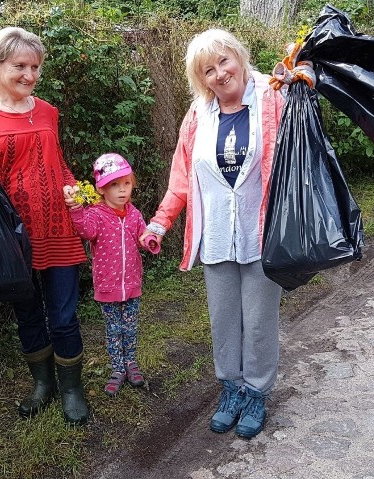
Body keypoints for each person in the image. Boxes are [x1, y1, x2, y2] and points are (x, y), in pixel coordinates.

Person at [140, 29, 292, 439]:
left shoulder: (274, 100)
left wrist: (302, 81)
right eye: (208, 70)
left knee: (259, 321)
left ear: (240, 58)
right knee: (223, 319)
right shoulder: (197, 117)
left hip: (263, 233)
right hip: (217, 237)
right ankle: (231, 389)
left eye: (224, 61)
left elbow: (301, 150)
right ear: (201, 79)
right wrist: (160, 222)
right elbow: (180, 179)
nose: (220, 73)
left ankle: (257, 393)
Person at [0, 27, 89, 425]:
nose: (30, 75)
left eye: (35, 66)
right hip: (15, 239)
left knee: (64, 315)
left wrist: (74, 189)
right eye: (20, 65)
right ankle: (43, 385)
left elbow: (59, 164)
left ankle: (72, 387)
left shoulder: (49, 112)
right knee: (27, 314)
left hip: (59, 230)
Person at [64, 153, 157, 396]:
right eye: (115, 185)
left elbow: (142, 234)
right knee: (114, 329)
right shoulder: (95, 214)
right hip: (108, 285)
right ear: (101, 188)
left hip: (132, 283)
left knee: (130, 327)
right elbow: (86, 231)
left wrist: (150, 240)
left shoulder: (134, 213)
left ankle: (131, 364)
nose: (122, 190)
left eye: (126, 183)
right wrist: (76, 210)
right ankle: (117, 368)